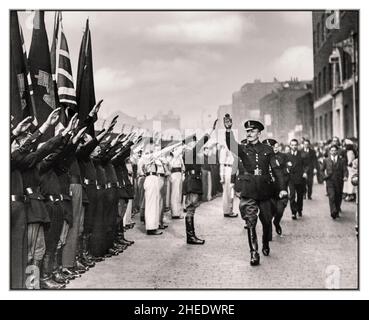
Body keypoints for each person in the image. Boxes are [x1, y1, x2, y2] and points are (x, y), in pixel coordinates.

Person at [224, 115, 287, 266]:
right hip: (249, 189)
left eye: (252, 131)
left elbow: (277, 170)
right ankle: (254, 252)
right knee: (251, 221)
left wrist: (282, 188)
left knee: (266, 221)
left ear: (259, 133)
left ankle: (265, 243)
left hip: (265, 190)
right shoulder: (243, 148)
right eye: (247, 131)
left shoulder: (268, 149)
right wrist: (228, 130)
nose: (249, 133)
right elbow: (231, 145)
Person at [182, 120, 217, 245]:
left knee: (192, 209)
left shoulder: (189, 153)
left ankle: (191, 236)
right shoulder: (189, 153)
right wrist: (210, 131)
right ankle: (190, 237)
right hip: (192, 182)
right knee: (191, 209)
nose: (194, 143)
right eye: (192, 142)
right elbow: (201, 143)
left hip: (193, 181)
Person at [262, 139, 289, 236]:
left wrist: (282, 189)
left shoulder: (275, 159)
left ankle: (276, 222)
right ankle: (267, 238)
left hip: (277, 190)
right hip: (265, 192)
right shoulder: (259, 160)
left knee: (279, 211)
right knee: (267, 215)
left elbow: (280, 176)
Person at [321, 144, 348, 219]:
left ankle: (337, 209)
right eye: (332, 150)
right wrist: (324, 177)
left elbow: (345, 170)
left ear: (337, 151)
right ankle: (333, 211)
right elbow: (322, 170)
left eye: (335, 150)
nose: (333, 152)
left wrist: (345, 176)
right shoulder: (326, 160)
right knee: (332, 196)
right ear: (330, 151)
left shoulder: (342, 160)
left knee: (338, 196)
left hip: (339, 181)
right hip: (330, 181)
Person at [286, 139, 307, 220]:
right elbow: (284, 165)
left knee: (300, 195)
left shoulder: (302, 155)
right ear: (290, 146)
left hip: (300, 178)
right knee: (292, 196)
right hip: (291, 178)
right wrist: (287, 169)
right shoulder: (287, 155)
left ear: (297, 146)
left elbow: (306, 165)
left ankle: (299, 209)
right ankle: (293, 212)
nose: (294, 146)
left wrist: (305, 172)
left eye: (295, 145)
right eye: (292, 145)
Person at [219, 145, 237, 218]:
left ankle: (230, 210)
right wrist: (221, 176)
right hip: (227, 170)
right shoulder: (224, 149)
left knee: (231, 192)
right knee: (227, 192)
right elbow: (222, 164)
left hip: (232, 169)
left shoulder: (232, 148)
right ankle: (227, 211)